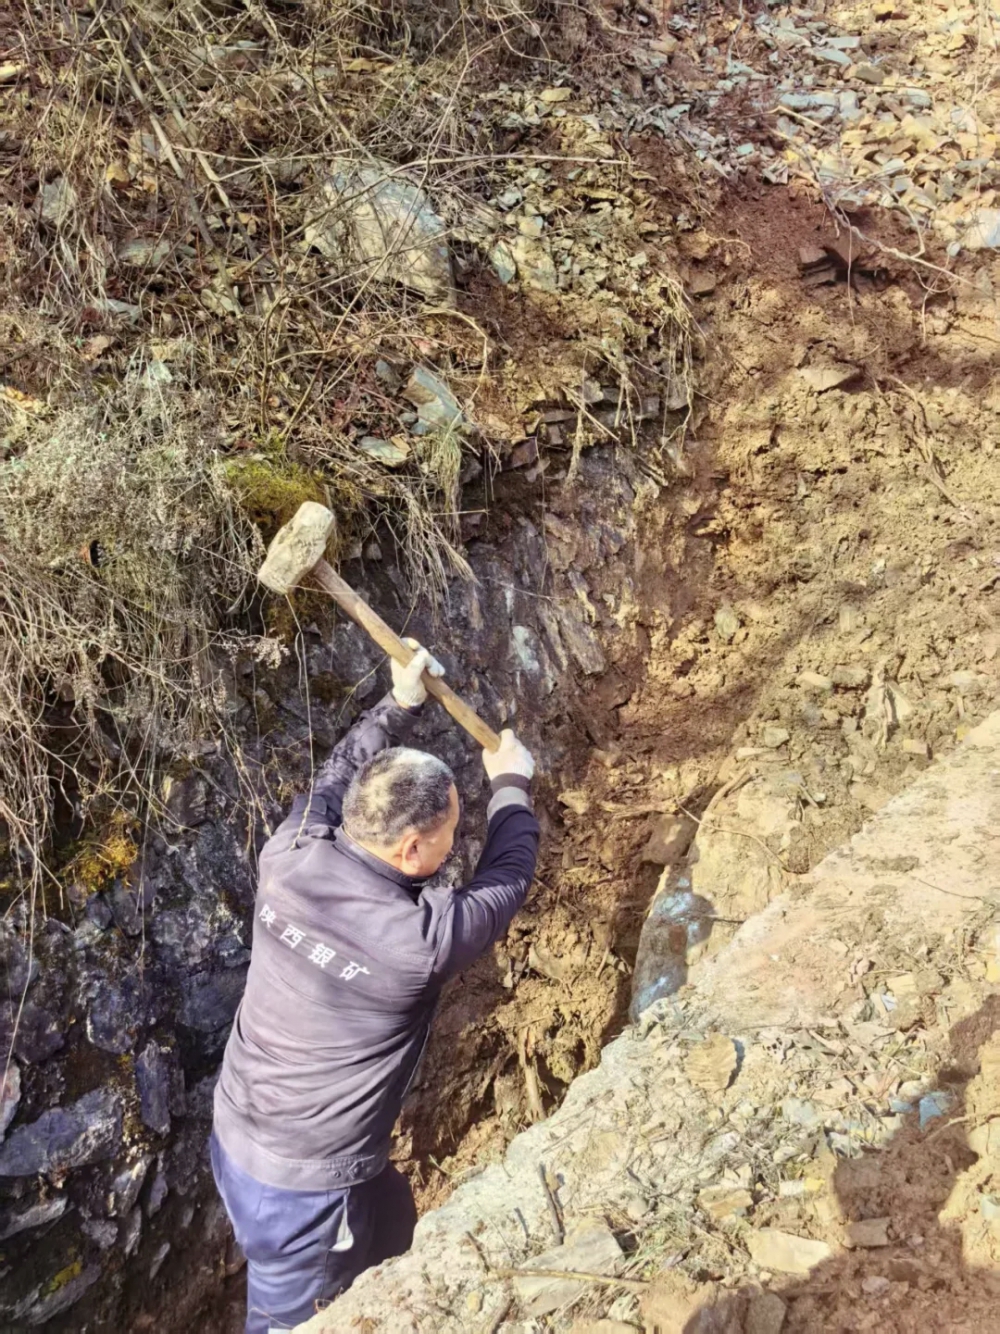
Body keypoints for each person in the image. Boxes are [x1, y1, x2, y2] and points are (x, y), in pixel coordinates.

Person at [211, 642, 539, 1333]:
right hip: (303, 1192)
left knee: (391, 1223)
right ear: (413, 850)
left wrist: (399, 704)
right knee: (293, 1319)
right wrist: (511, 785)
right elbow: (507, 879)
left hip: (238, 1123)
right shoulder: (419, 944)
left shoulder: (289, 852)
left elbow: (336, 774)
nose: (457, 843)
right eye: (452, 832)